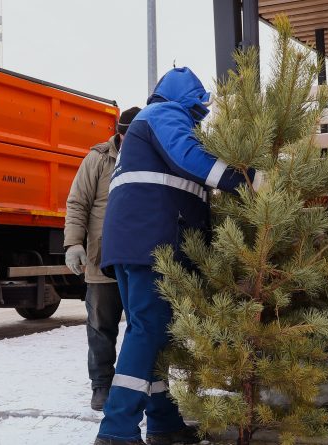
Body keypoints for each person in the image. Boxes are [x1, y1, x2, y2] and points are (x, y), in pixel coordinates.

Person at [94, 67, 260, 445]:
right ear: (187, 98)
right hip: (151, 244)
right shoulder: (163, 114)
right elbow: (188, 159)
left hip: (138, 242)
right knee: (148, 330)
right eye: (199, 108)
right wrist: (250, 178)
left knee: (156, 335)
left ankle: (164, 423)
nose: (201, 117)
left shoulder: (150, 124)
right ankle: (116, 430)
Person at [65, 106, 142, 411]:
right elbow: (77, 203)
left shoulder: (148, 156)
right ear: (118, 132)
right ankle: (101, 386)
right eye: (123, 134)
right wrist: (73, 244)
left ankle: (134, 385)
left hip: (137, 259)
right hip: (101, 258)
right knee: (101, 326)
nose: (127, 139)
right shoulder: (97, 159)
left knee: (141, 327)